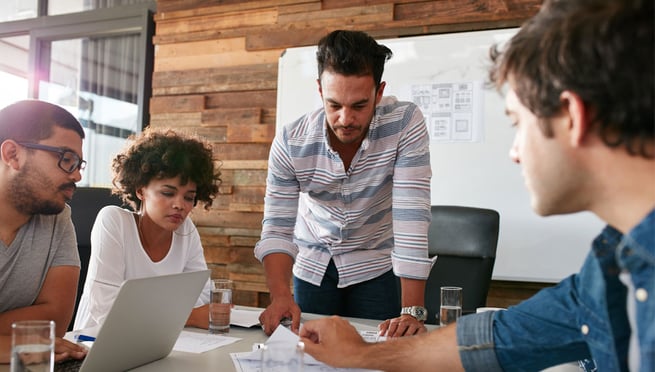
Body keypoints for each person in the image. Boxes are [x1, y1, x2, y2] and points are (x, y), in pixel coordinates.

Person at [298, 0, 654, 371]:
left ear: (572, 117)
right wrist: (363, 355)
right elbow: (502, 337)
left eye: (518, 122)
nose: (515, 152)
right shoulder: (612, 264)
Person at [255, 29, 433, 338]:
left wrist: (412, 311)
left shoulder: (404, 123)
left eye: (359, 106)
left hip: (375, 265)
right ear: (320, 91)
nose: (345, 118)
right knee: (313, 356)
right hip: (314, 266)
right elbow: (277, 227)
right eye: (335, 104)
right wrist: (280, 296)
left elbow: (411, 217)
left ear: (379, 93)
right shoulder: (290, 142)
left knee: (379, 355)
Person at [73, 128, 221, 330]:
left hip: (160, 340)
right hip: (95, 343)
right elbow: (107, 310)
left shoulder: (186, 230)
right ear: (140, 190)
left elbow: (203, 296)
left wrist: (150, 312)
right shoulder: (113, 221)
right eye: (168, 193)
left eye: (188, 197)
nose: (180, 205)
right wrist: (190, 317)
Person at [0, 100, 89, 363]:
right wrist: (13, 344)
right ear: (13, 155)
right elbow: (39, 337)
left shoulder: (58, 218)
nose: (76, 176)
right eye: (66, 159)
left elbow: (55, 322)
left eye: (78, 164)